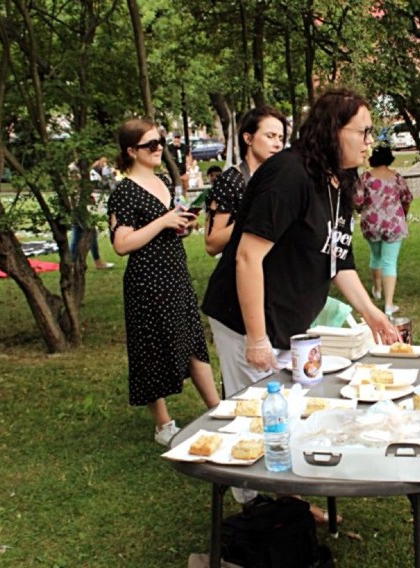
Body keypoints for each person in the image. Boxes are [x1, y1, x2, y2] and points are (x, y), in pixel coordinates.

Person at [203, 89, 399, 375]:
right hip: (247, 322)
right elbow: (247, 256)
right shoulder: (289, 174)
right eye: (363, 131)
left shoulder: (340, 179)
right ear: (333, 131)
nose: (370, 141)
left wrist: (372, 313)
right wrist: (257, 339)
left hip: (290, 324)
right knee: (261, 413)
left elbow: (338, 260)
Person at [108, 118, 220, 446]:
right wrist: (163, 221)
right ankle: (163, 425)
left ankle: (216, 408)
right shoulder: (124, 192)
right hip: (147, 281)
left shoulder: (162, 182)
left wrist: (179, 224)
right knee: (152, 349)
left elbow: (160, 228)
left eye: (160, 143)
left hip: (175, 272)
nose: (159, 150)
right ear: (131, 151)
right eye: (150, 145)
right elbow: (122, 244)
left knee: (192, 339)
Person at [202, 106, 287, 397]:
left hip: (267, 287)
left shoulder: (277, 180)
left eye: (281, 137)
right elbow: (212, 241)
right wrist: (255, 221)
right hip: (233, 285)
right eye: (270, 135)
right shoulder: (232, 180)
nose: (277, 143)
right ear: (248, 138)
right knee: (244, 388)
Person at [354, 145, 413, 315]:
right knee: (389, 262)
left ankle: (377, 290)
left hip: (371, 224)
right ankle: (388, 304)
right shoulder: (396, 178)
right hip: (394, 224)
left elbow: (357, 200)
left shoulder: (365, 178)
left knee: (376, 256)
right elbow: (406, 198)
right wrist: (404, 214)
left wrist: (361, 210)